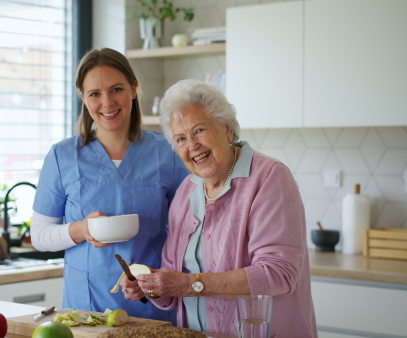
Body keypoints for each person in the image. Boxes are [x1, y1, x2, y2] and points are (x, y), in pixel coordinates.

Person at [121, 79, 318, 337]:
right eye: (181, 138)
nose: (192, 146)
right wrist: (154, 285)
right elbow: (174, 288)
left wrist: (190, 284)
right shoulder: (185, 192)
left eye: (199, 130)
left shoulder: (269, 178)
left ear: (226, 129)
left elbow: (278, 274)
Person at [31, 48, 190, 323]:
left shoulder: (169, 152)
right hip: (84, 312)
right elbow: (40, 235)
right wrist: (82, 229)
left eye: (116, 89)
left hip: (153, 309)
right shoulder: (62, 156)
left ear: (133, 88)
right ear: (83, 97)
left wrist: (166, 277)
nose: (107, 102)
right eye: (94, 94)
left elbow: (189, 232)